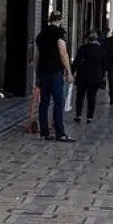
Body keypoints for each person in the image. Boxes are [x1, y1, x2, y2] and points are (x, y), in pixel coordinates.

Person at [34, 11, 74, 142]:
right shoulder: (59, 34)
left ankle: (44, 132)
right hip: (55, 72)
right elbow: (63, 53)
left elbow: (37, 56)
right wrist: (69, 71)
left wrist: (37, 73)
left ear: (49, 19)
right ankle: (60, 133)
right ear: (60, 20)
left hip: (43, 72)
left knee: (44, 103)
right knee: (58, 102)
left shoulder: (41, 35)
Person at [72, 31, 106, 124]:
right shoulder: (100, 50)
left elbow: (76, 62)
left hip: (82, 77)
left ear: (86, 39)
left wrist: (71, 72)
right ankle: (90, 117)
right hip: (95, 77)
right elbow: (104, 65)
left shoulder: (82, 49)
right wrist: (103, 76)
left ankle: (78, 115)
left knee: (80, 96)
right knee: (92, 97)